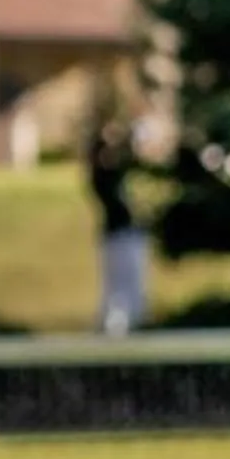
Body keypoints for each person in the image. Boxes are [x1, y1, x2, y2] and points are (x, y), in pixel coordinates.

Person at [89, 117, 148, 335]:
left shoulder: (109, 174)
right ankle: (116, 326)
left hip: (122, 233)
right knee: (119, 286)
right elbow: (122, 157)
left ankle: (128, 322)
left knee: (129, 285)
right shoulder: (103, 176)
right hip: (118, 235)